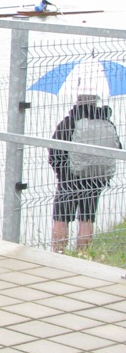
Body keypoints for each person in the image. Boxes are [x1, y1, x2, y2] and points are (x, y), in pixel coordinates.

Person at [49, 94, 120, 251]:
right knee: (87, 218)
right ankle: (82, 255)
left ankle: (58, 253)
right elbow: (117, 148)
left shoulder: (69, 122)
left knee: (61, 217)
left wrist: (61, 173)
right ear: (95, 103)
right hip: (96, 178)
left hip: (69, 178)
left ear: (78, 102)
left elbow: (54, 153)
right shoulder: (107, 123)